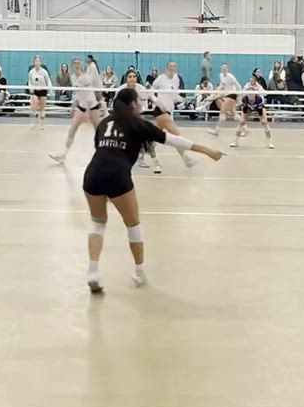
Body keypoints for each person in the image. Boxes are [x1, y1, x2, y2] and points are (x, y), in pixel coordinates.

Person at [81, 87, 222, 293]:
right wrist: (208, 150)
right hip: (118, 175)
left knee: (97, 223)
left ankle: (93, 272)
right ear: (133, 104)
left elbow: (100, 148)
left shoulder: (105, 122)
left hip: (93, 173)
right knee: (133, 224)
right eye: (139, 101)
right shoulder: (138, 124)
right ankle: (139, 272)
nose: (141, 104)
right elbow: (174, 140)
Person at [50, 58, 106, 164]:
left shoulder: (87, 76)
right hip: (81, 108)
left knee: (99, 131)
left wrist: (96, 106)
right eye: (75, 63)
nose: (76, 65)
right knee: (72, 130)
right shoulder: (73, 78)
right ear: (72, 66)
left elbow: (92, 92)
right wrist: (74, 104)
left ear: (81, 65)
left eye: (78, 63)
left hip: (92, 108)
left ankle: (103, 154)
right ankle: (63, 154)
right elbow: (80, 94)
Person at [146, 61, 198, 168]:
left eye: (174, 66)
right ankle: (186, 158)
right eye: (170, 66)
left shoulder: (176, 79)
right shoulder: (161, 78)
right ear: (167, 68)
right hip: (160, 112)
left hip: (169, 112)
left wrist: (184, 100)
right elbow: (151, 90)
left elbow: (175, 96)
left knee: (153, 138)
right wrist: (157, 102)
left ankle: (143, 153)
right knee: (176, 136)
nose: (172, 68)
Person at [232, 78, 273, 148]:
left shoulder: (259, 99)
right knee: (241, 122)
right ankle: (235, 141)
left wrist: (261, 119)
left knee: (264, 122)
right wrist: (244, 119)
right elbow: (245, 111)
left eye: (252, 94)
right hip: (248, 107)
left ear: (255, 94)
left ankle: (269, 142)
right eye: (249, 94)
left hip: (258, 107)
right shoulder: (244, 99)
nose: (250, 95)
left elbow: (260, 112)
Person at [208, 64, 241, 137]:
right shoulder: (221, 75)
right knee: (233, 113)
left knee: (223, 112)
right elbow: (221, 85)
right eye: (223, 68)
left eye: (225, 68)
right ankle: (245, 128)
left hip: (232, 95)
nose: (224, 69)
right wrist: (216, 92)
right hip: (227, 95)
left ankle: (216, 131)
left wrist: (239, 96)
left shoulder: (231, 77)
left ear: (228, 69)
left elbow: (238, 85)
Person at [27, 56, 52, 130]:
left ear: (41, 62)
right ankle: (34, 123)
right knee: (34, 106)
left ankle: (42, 124)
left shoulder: (44, 72)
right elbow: (29, 81)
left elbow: (48, 81)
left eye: (39, 61)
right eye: (36, 61)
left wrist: (50, 89)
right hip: (35, 91)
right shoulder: (31, 72)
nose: (37, 62)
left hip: (43, 90)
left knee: (42, 108)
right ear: (34, 62)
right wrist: (30, 88)